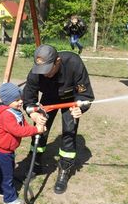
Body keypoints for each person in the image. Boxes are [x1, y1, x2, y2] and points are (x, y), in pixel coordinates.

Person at [23, 44, 95, 194]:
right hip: (49, 98)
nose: (45, 74)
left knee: (69, 131)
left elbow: (85, 95)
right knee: (39, 130)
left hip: (71, 100)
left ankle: (64, 171)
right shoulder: (36, 72)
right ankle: (35, 164)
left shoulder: (74, 63)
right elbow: (28, 99)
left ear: (57, 61)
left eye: (48, 69)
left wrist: (79, 108)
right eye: (41, 70)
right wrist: (33, 114)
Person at [0, 83, 46, 204]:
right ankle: (9, 199)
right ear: (7, 101)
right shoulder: (6, 115)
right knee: (7, 176)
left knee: (5, 173)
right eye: (17, 100)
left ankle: (2, 191)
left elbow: (24, 124)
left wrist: (36, 128)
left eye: (21, 98)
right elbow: (18, 131)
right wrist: (36, 130)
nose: (21, 102)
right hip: (2, 151)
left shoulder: (16, 111)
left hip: (8, 150)